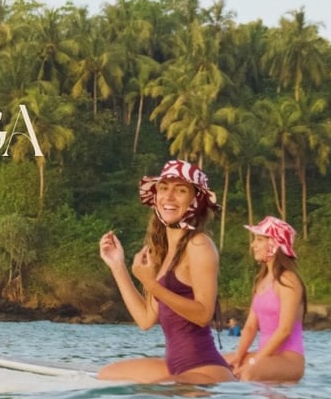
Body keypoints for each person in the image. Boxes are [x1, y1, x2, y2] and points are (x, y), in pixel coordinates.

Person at [98, 160, 236, 385]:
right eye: (163, 188)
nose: (169, 196)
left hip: (205, 372)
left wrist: (152, 285)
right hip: (177, 368)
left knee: (153, 395)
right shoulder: (165, 253)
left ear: (196, 200)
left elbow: (203, 315)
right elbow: (145, 320)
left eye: (180, 190)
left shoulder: (199, 245)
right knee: (106, 374)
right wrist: (118, 266)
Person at [225, 216, 306, 383]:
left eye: (259, 239)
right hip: (266, 357)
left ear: (275, 245)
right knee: (215, 366)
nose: (253, 244)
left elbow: (284, 330)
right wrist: (238, 357)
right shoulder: (261, 281)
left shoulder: (288, 280)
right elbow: (250, 327)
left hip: (289, 360)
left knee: (249, 374)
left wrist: (254, 362)